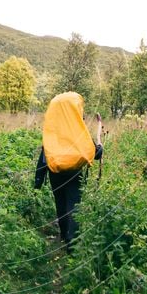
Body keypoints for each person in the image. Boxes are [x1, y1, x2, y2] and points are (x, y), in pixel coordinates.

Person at [34, 93, 104, 252]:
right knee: (74, 203)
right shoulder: (77, 129)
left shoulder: (53, 131)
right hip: (75, 172)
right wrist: (100, 148)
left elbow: (45, 153)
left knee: (60, 202)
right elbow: (94, 152)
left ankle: (65, 235)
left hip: (55, 172)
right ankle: (73, 243)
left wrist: (38, 179)